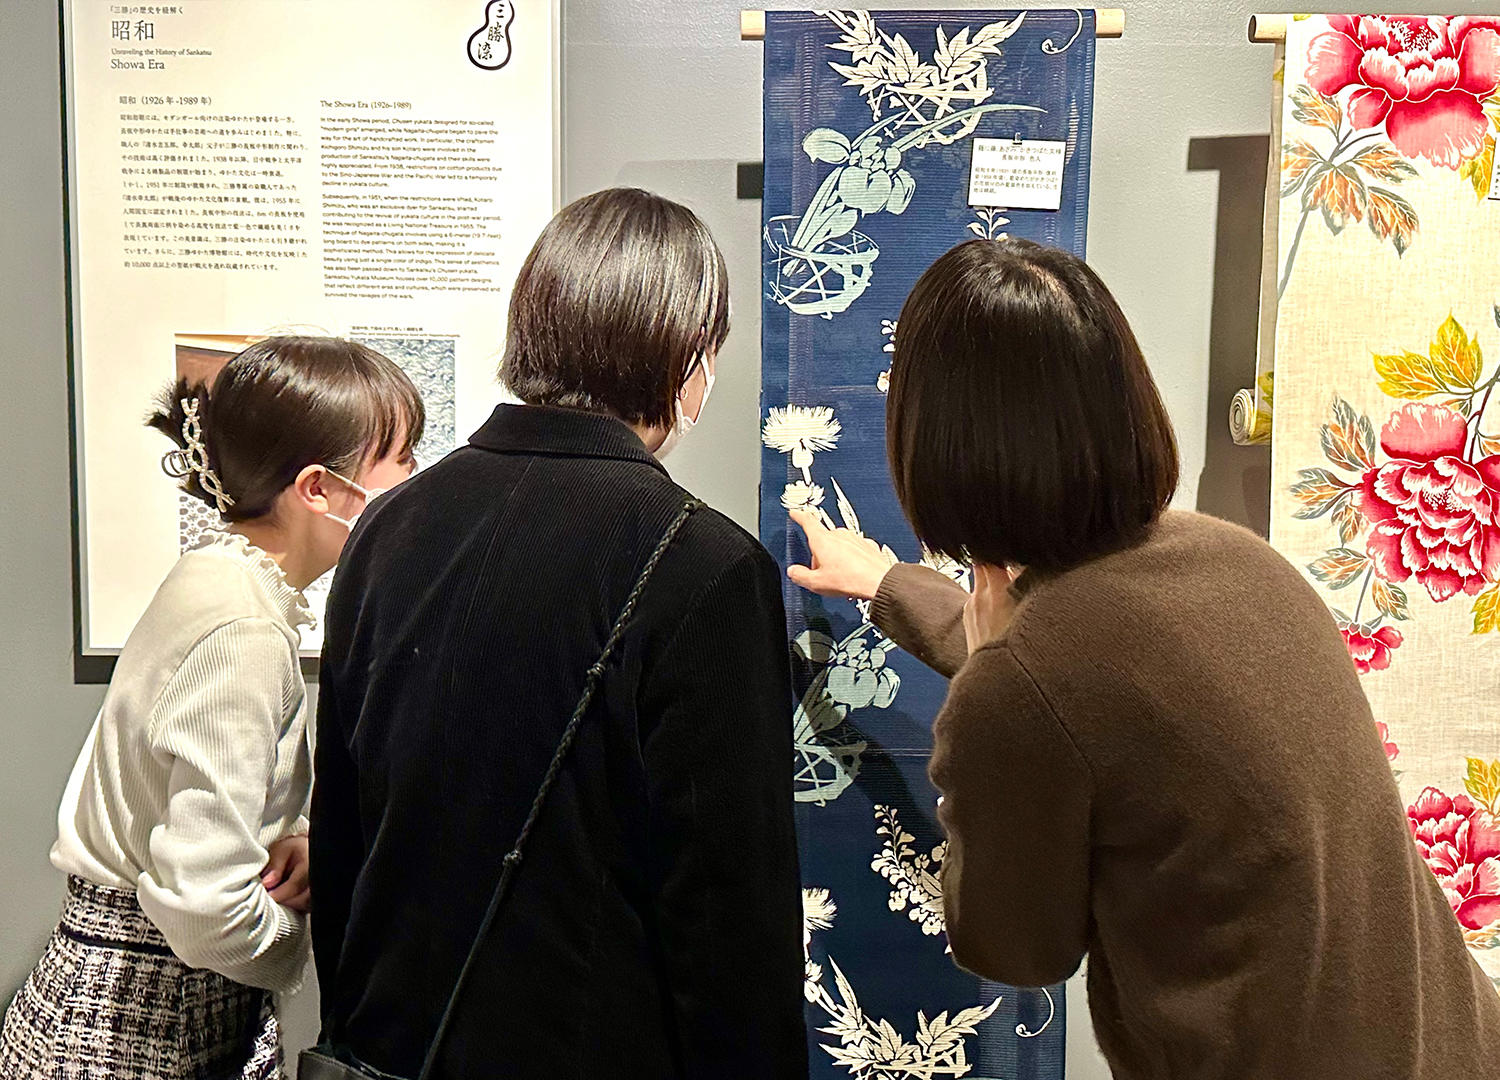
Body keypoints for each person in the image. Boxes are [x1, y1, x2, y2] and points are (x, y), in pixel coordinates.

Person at [788, 237, 1500, 1078]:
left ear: (934, 438)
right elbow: (1085, 689)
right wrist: (890, 586)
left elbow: (1016, 948)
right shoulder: (1236, 562)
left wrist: (981, 691)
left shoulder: (1027, 679)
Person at [311, 187, 807, 1079]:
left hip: (393, 1048)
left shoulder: (388, 526)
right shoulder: (704, 566)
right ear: (686, 353)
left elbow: (345, 835)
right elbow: (730, 916)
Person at [0, 337, 423, 1080]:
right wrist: (295, 934)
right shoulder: (244, 629)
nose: (417, 479)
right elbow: (203, 908)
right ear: (318, 489)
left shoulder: (217, 580)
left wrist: (284, 838)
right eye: (402, 458)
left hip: (114, 1001)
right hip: (147, 1023)